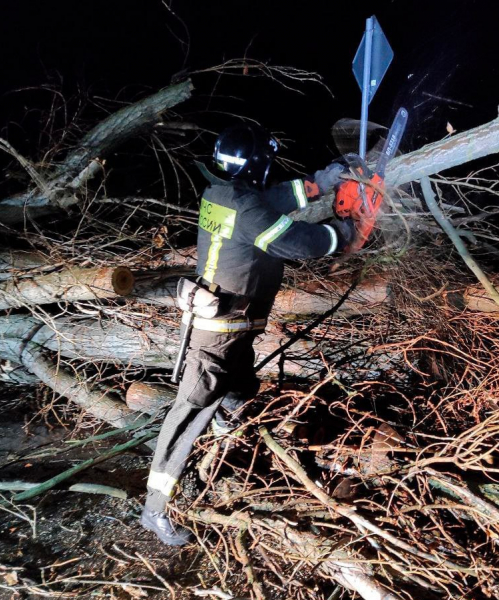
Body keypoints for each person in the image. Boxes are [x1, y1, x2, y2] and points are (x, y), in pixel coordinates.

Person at [141, 122, 355, 545]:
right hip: (218, 332)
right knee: (189, 411)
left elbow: (267, 201)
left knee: (238, 393)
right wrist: (343, 234)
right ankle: (155, 507)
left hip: (234, 327)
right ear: (257, 165)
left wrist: (317, 185)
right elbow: (294, 241)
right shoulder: (246, 208)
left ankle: (227, 453)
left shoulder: (221, 194)